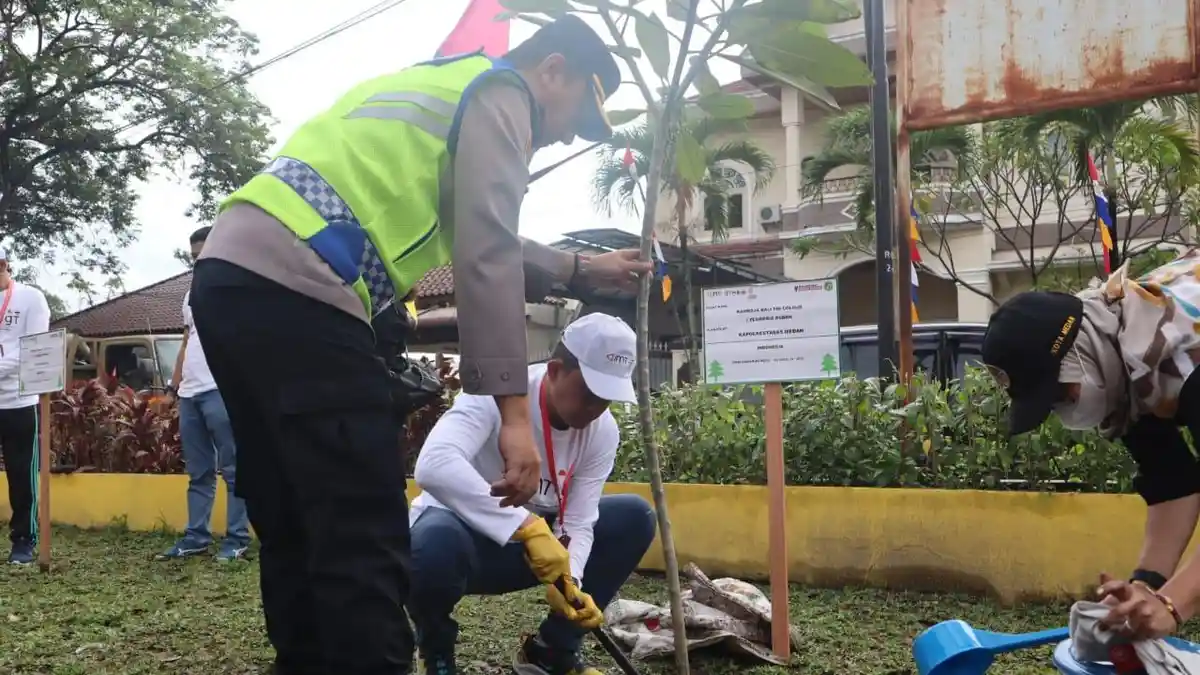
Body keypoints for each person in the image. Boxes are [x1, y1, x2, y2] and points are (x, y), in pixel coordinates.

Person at [187, 15, 651, 675]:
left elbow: (481, 227)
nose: (556, 138)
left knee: (294, 518)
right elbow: (485, 250)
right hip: (307, 285)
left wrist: (577, 269)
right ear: (552, 70)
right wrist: (515, 416)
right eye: (571, 116)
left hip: (232, 277)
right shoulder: (502, 93)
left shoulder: (446, 88)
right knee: (364, 532)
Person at [409, 313, 656, 675]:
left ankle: (552, 652)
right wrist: (526, 526)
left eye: (608, 398)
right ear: (555, 370)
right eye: (590, 394)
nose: (597, 409)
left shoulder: (602, 430)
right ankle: (437, 653)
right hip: (462, 543)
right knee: (432, 543)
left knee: (635, 517)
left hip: (532, 553)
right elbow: (433, 464)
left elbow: (579, 520)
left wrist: (572, 578)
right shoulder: (498, 393)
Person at [981, 250, 1200, 641]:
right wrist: (1144, 589)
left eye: (1060, 392)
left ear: (1078, 352)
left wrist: (1173, 604)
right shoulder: (1122, 372)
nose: (1064, 410)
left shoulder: (1182, 356)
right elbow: (1174, 487)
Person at [155, 227, 251, 562]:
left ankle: (236, 538)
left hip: (221, 391)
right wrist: (173, 387)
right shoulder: (191, 294)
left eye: (202, 254)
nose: (198, 261)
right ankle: (196, 536)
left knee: (235, 469)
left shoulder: (238, 288)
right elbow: (186, 342)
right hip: (190, 394)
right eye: (194, 257)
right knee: (199, 472)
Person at [0, 249, 52, 565]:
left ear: (4, 265)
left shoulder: (31, 299)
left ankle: (23, 540)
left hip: (18, 401)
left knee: (21, 473)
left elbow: (32, 350)